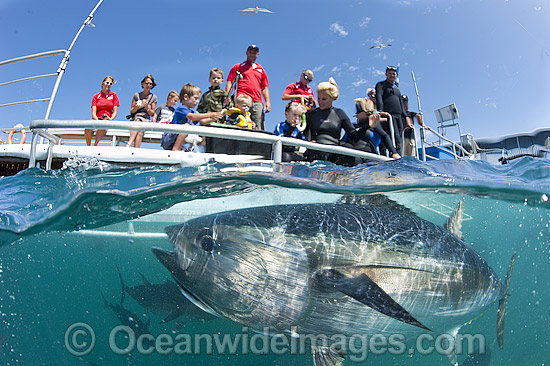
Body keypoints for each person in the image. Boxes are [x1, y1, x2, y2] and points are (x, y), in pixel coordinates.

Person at [304, 78, 358, 163]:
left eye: (324, 99)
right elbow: (303, 131)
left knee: (349, 150)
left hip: (334, 153)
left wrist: (369, 125)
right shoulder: (311, 113)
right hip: (316, 151)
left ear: (332, 98)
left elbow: (353, 135)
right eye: (318, 98)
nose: (320, 102)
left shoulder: (339, 113)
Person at [160, 83, 223, 151]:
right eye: (195, 98)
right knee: (186, 126)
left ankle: (181, 149)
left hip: (176, 140)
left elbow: (203, 121)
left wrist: (216, 117)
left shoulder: (192, 112)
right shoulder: (181, 108)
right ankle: (176, 148)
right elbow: (192, 117)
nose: (197, 101)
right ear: (186, 97)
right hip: (169, 138)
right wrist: (210, 114)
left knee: (197, 136)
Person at [225, 45, 270, 130]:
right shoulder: (238, 66)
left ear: (258, 54)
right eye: (250, 52)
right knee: (240, 123)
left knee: (257, 126)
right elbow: (230, 81)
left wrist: (267, 101)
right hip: (242, 99)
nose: (252, 54)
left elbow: (264, 87)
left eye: (254, 53)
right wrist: (227, 96)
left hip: (257, 101)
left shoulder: (261, 69)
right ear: (246, 53)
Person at [375, 65, 407, 155]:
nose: (392, 75)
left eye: (394, 74)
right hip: (389, 115)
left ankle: (399, 156)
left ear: (396, 75)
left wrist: (406, 116)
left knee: (399, 137)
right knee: (392, 136)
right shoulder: (381, 85)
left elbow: (401, 103)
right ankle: (391, 156)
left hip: (399, 116)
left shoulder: (397, 89)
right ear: (386, 74)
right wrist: (380, 110)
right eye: (389, 73)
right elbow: (379, 97)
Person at [88, 76, 120, 146]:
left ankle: (95, 145)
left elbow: (115, 112)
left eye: (110, 84)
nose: (108, 85)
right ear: (103, 83)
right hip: (97, 118)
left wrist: (110, 119)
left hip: (107, 118)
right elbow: (93, 112)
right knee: (87, 126)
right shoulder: (96, 96)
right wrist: (97, 121)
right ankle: (88, 146)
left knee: (103, 124)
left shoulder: (114, 95)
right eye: (107, 82)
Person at [128, 74, 158, 148]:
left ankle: (134, 149)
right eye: (146, 83)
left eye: (150, 84)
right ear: (142, 84)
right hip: (136, 118)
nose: (148, 85)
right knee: (138, 120)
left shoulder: (153, 97)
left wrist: (147, 107)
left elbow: (152, 113)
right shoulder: (136, 95)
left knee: (140, 132)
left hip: (145, 119)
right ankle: (130, 143)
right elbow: (131, 111)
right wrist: (136, 107)